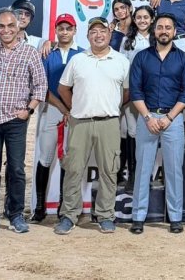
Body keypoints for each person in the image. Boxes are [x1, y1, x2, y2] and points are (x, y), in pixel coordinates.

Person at [54, 16, 130, 235]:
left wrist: (112, 107)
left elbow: (127, 92)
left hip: (109, 123)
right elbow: (63, 88)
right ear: (87, 36)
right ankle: (69, 215)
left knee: (109, 170)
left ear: (109, 34)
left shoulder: (121, 61)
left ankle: (105, 215)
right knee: (73, 170)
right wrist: (76, 107)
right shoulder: (78, 60)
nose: (98, 35)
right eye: (93, 32)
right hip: (80, 123)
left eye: (102, 31)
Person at [0, 7, 47, 234]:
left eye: (11, 25)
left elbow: (41, 85)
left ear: (18, 26)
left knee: (17, 168)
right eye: (1, 26)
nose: (6, 30)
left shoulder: (30, 53)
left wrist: (29, 110)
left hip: (16, 120)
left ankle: (16, 213)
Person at [128, 13, 185, 234]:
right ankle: (138, 217)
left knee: (174, 170)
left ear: (174, 31)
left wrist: (169, 117)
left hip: (172, 121)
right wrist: (148, 117)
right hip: (146, 119)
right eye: (160, 27)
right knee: (142, 169)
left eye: (168, 27)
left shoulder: (184, 59)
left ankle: (175, 218)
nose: (164, 31)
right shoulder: (141, 57)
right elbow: (135, 91)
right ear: (154, 31)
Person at [31, 14, 83, 223]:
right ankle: (39, 207)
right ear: (56, 30)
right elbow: (41, 87)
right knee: (45, 157)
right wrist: (63, 107)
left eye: (68, 28)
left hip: (75, 111)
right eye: (61, 28)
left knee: (67, 159)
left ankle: (64, 206)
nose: (64, 32)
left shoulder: (82, 54)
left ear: (74, 30)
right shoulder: (47, 54)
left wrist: (71, 108)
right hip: (52, 109)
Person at [118, 5, 155, 193]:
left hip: (153, 94)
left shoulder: (157, 38)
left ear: (152, 19)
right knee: (132, 133)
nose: (142, 20)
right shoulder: (127, 40)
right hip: (133, 93)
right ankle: (133, 175)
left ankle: (147, 174)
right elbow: (122, 67)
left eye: (146, 17)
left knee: (149, 134)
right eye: (138, 17)